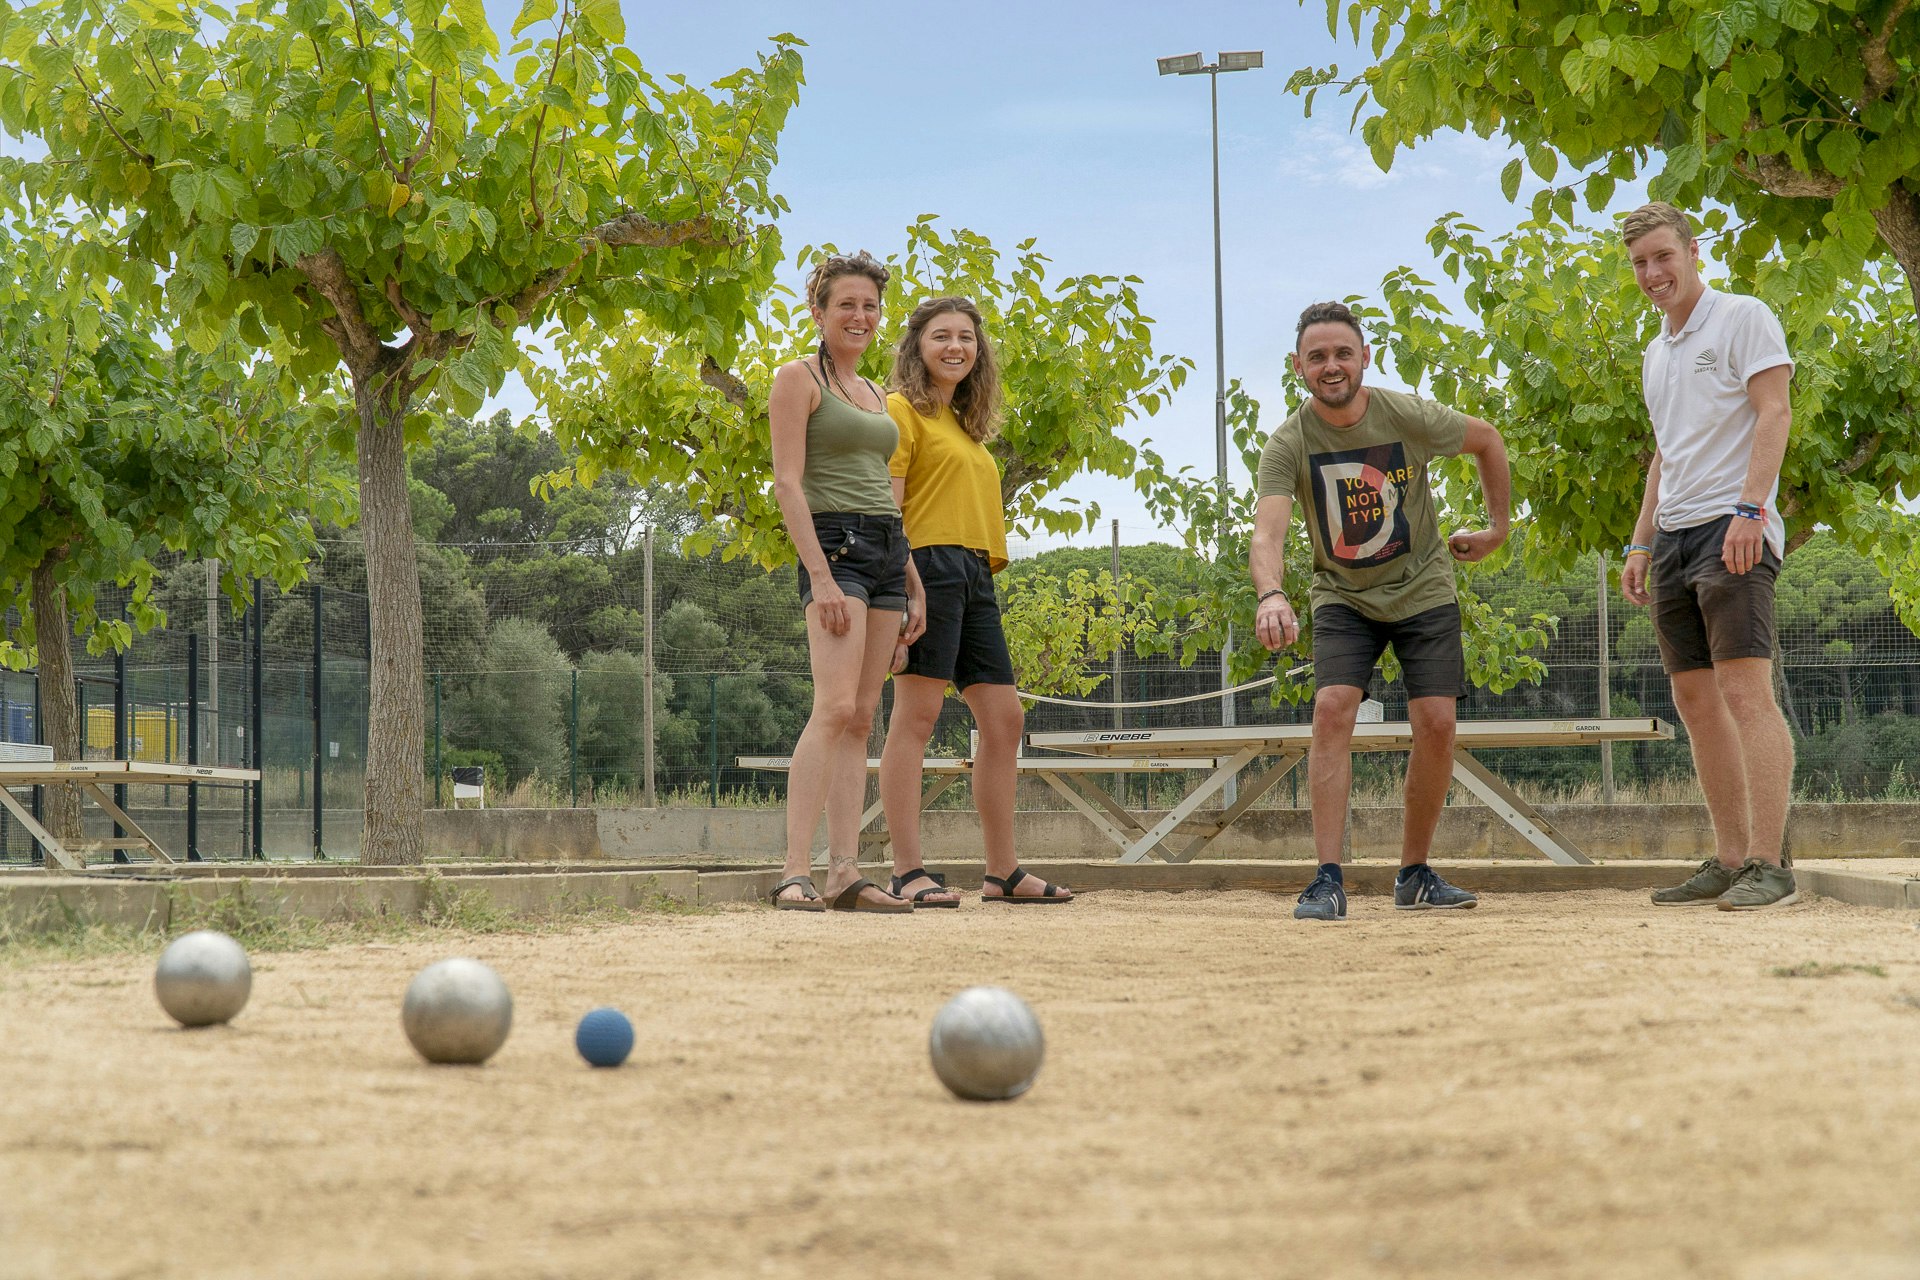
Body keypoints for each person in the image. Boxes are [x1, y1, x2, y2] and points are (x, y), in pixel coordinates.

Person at [1250, 300, 1510, 921]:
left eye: (1343, 353)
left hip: (1423, 587)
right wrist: (1272, 593)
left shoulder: (1406, 416)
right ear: (1298, 367)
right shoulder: (1288, 442)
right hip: (1342, 595)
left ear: (1365, 357)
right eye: (1318, 357)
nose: (1332, 366)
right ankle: (1326, 878)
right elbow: (1268, 536)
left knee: (1437, 722)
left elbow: (1487, 440)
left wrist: (1498, 529)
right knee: (1332, 709)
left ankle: (1414, 875)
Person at [1619, 202, 1798, 911]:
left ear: (1693, 251)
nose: (1654, 272)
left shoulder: (1742, 316)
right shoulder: (1655, 352)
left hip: (1733, 523)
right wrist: (1640, 540)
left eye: (1664, 256)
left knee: (1746, 692)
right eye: (1640, 263)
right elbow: (1666, 452)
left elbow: (1774, 411)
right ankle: (1728, 861)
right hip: (1673, 536)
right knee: (1694, 699)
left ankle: (1770, 865)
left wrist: (1752, 509)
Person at [876, 296, 1073, 906]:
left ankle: (1002, 872)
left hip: (975, 571)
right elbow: (888, 506)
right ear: (917, 346)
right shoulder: (901, 411)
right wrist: (904, 583)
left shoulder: (965, 426)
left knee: (1005, 718)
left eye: (966, 337)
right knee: (917, 717)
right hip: (926, 566)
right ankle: (907, 869)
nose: (955, 346)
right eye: (941, 336)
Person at [767, 252, 925, 914]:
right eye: (846, 306)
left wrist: (912, 579)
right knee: (832, 708)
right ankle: (793, 872)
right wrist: (821, 576)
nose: (859, 316)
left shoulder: (876, 395)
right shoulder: (797, 379)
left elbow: (887, 495)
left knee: (863, 716)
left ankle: (844, 874)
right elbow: (787, 483)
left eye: (869, 306)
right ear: (819, 311)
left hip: (887, 550)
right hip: (836, 547)